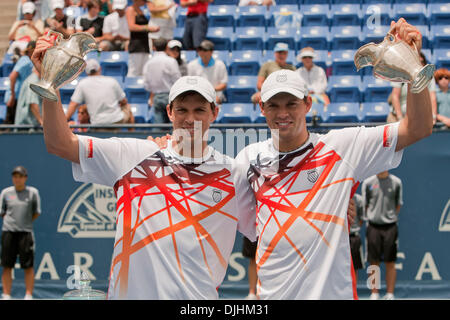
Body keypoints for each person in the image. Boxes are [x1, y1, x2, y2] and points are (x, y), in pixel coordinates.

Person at [233, 19, 432, 299]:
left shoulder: (343, 146)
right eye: (273, 105)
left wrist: (414, 71)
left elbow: (418, 128)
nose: (282, 113)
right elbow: (251, 225)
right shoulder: (248, 160)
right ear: (262, 109)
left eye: (291, 103)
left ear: (307, 104)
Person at [0, 166, 41, 300]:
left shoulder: (33, 193)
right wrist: (12, 223)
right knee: (7, 265)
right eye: (15, 176)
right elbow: (2, 212)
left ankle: (28, 295)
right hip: (8, 233)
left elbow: (36, 212)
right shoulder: (5, 193)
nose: (17, 179)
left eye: (20, 176)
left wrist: (24, 223)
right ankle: (6, 294)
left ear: (25, 178)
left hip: (26, 233)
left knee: (28, 266)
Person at [362, 170, 403, 300]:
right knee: (374, 262)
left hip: (390, 227)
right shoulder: (368, 182)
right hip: (373, 226)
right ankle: (374, 293)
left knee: (390, 261)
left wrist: (389, 217)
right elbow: (365, 205)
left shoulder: (396, 182)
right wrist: (374, 217)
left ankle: (390, 294)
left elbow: (398, 204)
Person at [65, 59, 135, 128]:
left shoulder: (82, 83)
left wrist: (65, 121)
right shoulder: (112, 81)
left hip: (97, 123)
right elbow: (124, 101)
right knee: (127, 107)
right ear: (100, 69)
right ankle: (131, 135)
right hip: (116, 120)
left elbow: (73, 105)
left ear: (87, 72)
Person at [388, 51, 437, 124]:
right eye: (416, 61)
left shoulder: (429, 77)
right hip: (397, 117)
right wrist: (400, 118)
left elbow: (432, 97)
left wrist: (433, 117)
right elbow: (395, 96)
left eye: (422, 62)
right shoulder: (400, 75)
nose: (419, 64)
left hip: (419, 119)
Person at [143, 38, 181, 124]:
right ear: (167, 47)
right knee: (173, 127)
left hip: (157, 96)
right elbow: (177, 80)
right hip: (171, 96)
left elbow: (146, 84)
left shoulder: (149, 63)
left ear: (154, 48)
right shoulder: (171, 61)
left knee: (158, 128)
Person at [4, 41, 36, 125]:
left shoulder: (30, 61)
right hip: (15, 97)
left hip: (20, 96)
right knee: (9, 126)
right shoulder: (25, 60)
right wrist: (12, 95)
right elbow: (12, 76)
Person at [187, 40, 228, 104]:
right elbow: (189, 83)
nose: (201, 52)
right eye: (200, 49)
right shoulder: (191, 65)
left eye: (205, 50)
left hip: (215, 94)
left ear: (211, 52)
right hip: (197, 94)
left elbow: (224, 84)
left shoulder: (220, 64)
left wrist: (210, 91)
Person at [125, 0, 160, 77]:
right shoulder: (130, 9)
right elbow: (131, 27)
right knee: (134, 71)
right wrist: (148, 28)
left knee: (144, 72)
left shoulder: (140, 10)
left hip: (144, 44)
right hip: (136, 45)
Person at [349, 193, 364, 279]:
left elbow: (361, 219)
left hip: (353, 237)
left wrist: (353, 229)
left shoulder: (358, 199)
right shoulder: (336, 196)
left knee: (354, 267)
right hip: (338, 239)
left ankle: (353, 291)